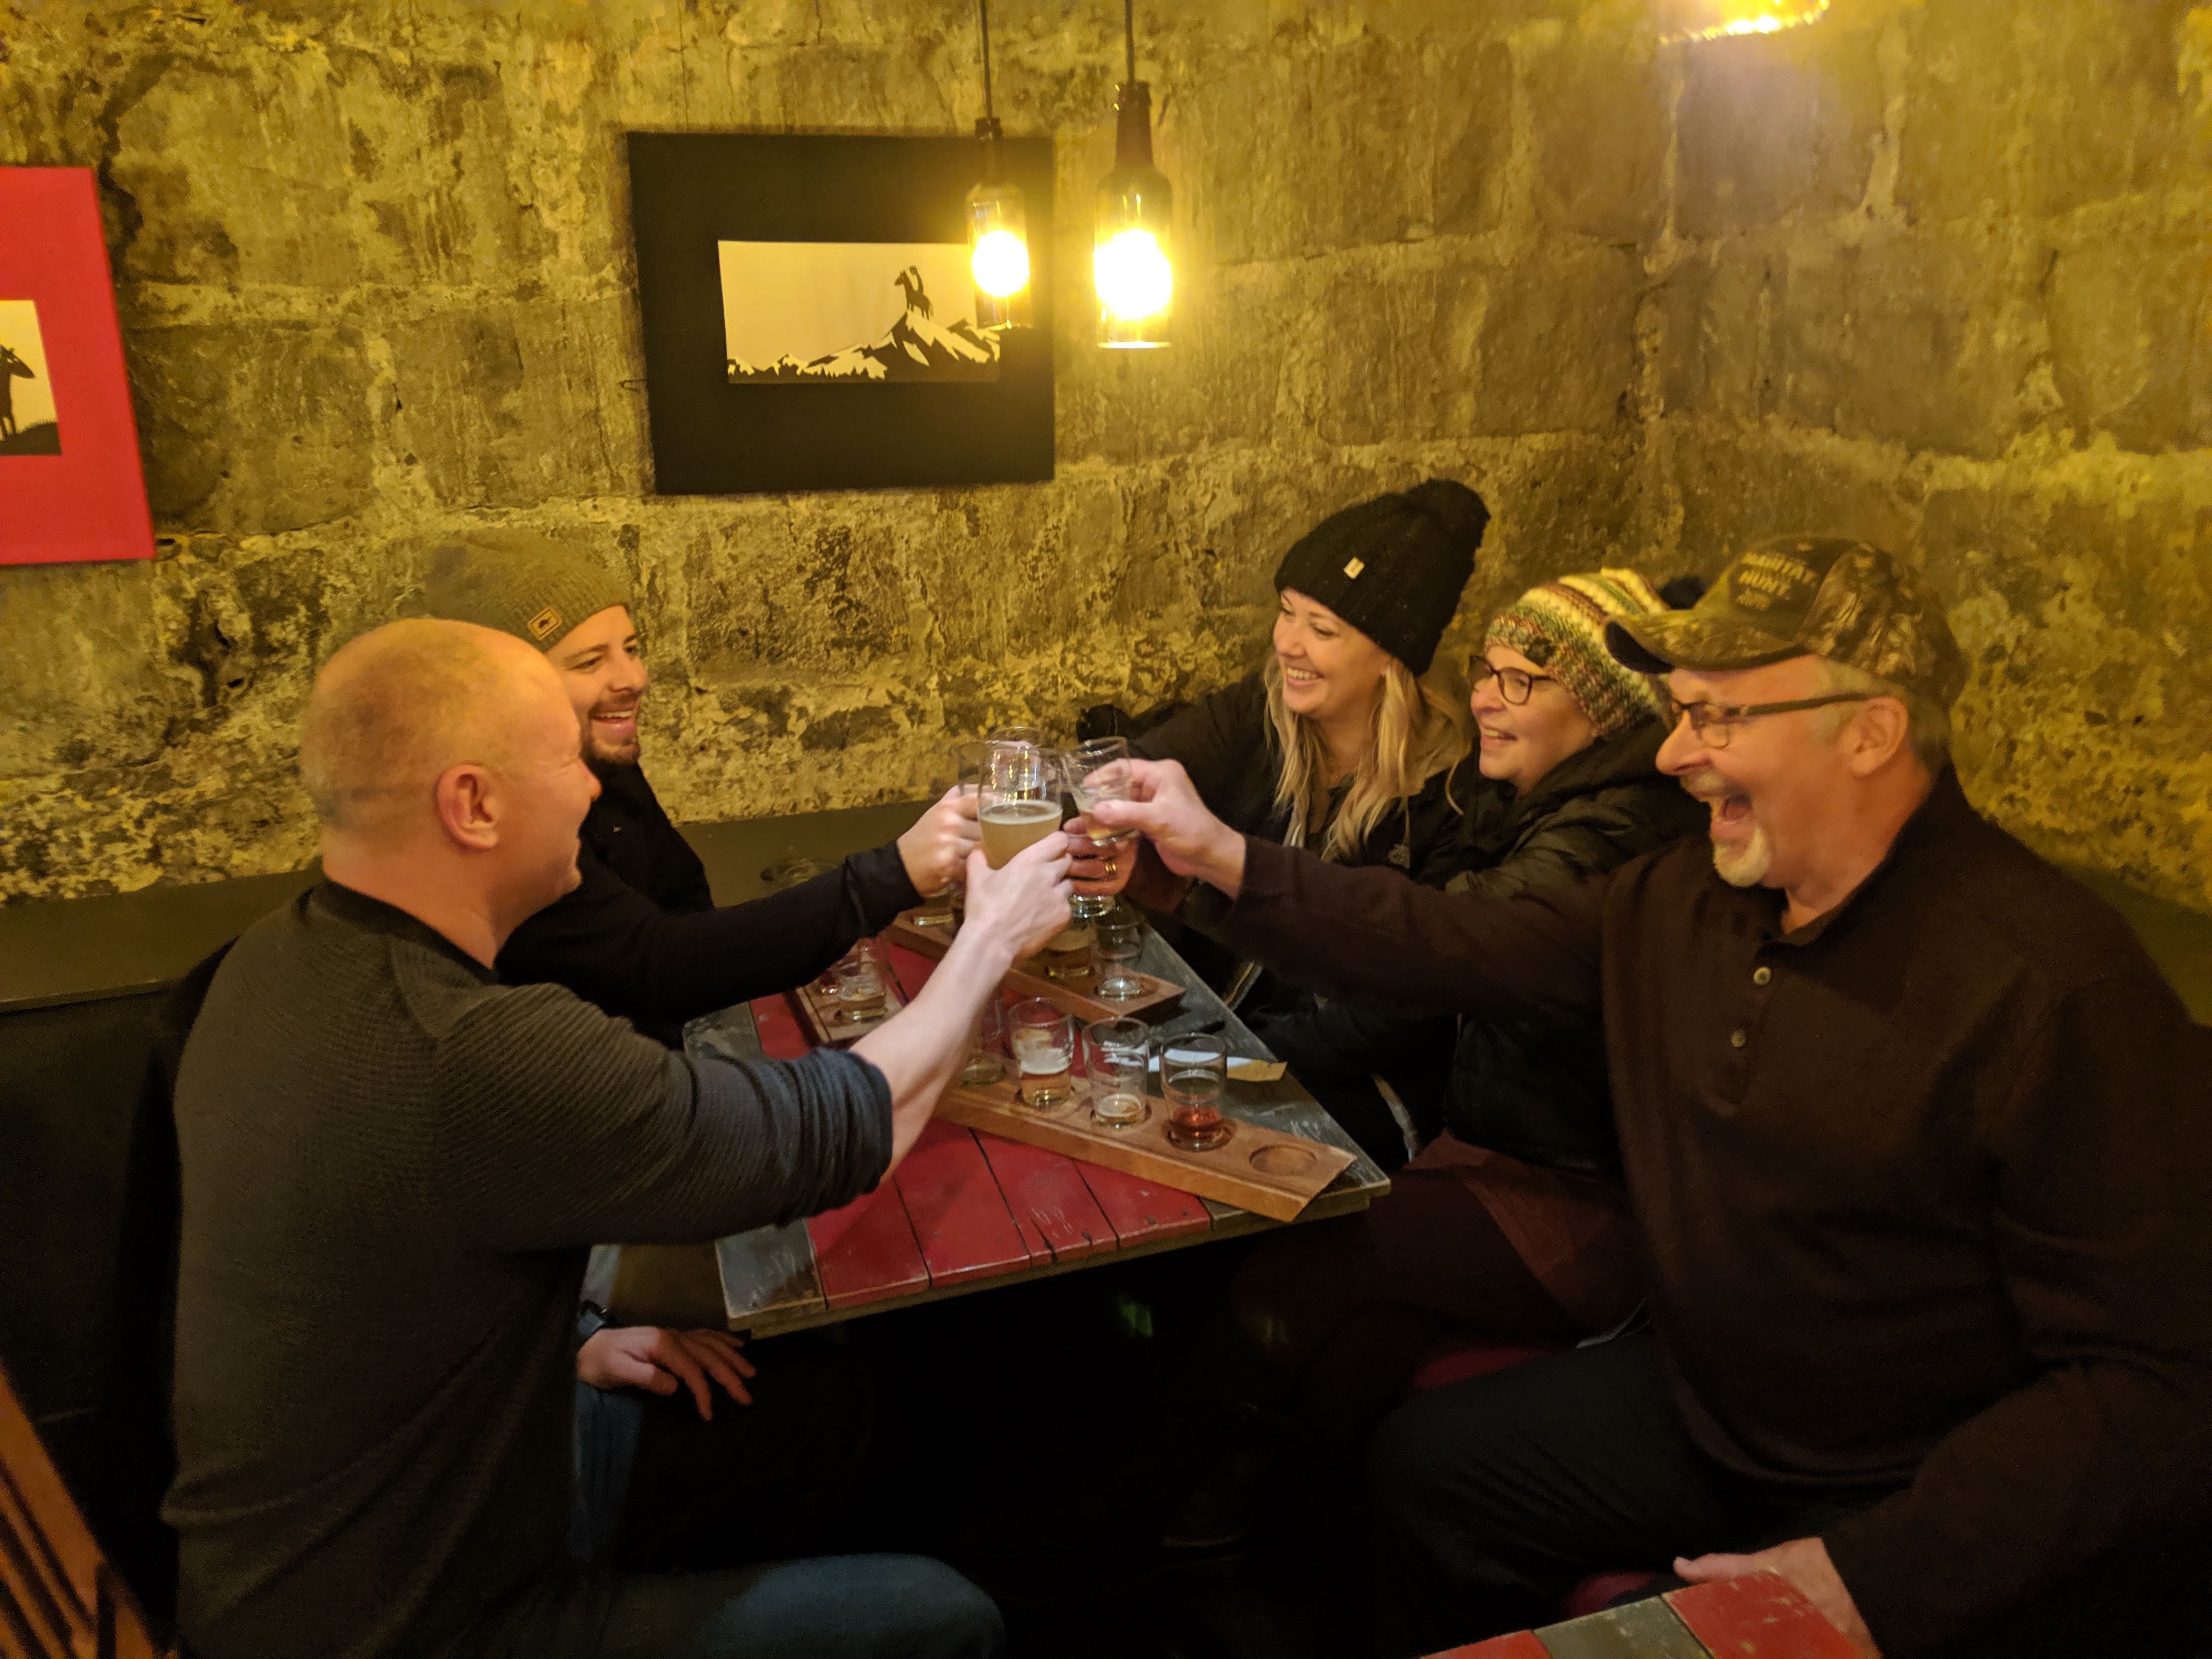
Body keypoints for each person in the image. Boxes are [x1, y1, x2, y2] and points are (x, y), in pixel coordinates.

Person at [1092, 538, 2212, 1659]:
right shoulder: (1689, 900)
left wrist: (1874, 1573)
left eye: (1722, 720)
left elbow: (2154, 1383)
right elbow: (1452, 940)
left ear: (1869, 731)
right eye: (1680, 712)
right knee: (1430, 1473)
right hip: (1713, 1407)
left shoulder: (2052, 983)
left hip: (1903, 1472)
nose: (1676, 755)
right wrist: (1220, 861)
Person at [164, 618, 1070, 1659]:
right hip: (434, 1620)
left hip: (313, 1564)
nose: (592, 791)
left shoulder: (266, 962)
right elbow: (831, 1131)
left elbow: (359, 1277)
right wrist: (991, 937)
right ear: (473, 802)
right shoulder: (474, 1047)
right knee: (946, 1614)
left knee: (824, 1408)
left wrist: (571, 1344)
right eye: (564, 759)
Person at [1217, 569, 1706, 1482]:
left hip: (1584, 1196)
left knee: (1301, 1261)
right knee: (1369, 1325)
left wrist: (1226, 903)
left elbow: (1437, 951)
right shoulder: (1520, 800)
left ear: (1604, 711)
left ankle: (1189, 1496)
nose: (1484, 694)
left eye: (1523, 679)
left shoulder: (1608, 832)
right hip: (1505, 1148)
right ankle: (1286, 1531)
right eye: (1485, 668)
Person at [424, 529, 978, 1049]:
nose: (632, 679)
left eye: (632, 648)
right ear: (504, 692)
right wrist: (892, 874)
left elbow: (683, 908)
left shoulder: (598, 758)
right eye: (591, 661)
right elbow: (655, 966)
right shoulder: (495, 822)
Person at [1122, 478, 1490, 1166]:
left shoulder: (1450, 794)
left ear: (1394, 659)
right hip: (1218, 1038)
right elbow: (1139, 768)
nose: (1287, 643)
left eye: (1322, 630)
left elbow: (1401, 1007)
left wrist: (1240, 1058)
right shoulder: (1260, 712)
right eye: (1287, 612)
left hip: (1353, 1081)